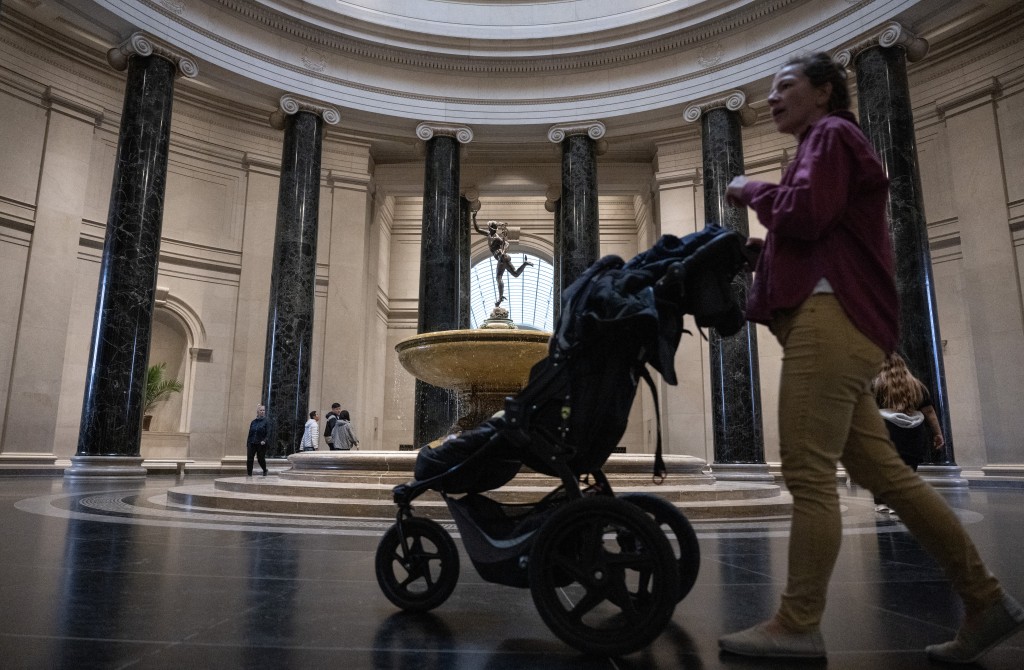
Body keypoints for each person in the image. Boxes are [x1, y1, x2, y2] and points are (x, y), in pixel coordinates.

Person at [717, 52, 1023, 663]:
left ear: (825, 91)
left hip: (831, 322)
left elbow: (804, 214)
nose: (771, 98)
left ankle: (797, 623)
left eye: (785, 86)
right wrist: (763, 255)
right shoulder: (821, 144)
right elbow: (819, 231)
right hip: (839, 320)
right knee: (888, 476)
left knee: (806, 472)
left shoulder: (831, 134)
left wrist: (753, 189)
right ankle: (986, 601)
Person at [872, 351, 945, 515]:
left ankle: (882, 501)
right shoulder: (918, 386)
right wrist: (938, 434)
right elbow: (930, 412)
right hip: (913, 434)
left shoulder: (875, 385)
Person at [473, 215, 532, 307]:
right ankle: (525, 264)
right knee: (515, 274)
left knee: (498, 277)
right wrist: (473, 217)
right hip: (504, 258)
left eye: (489, 227)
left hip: (502, 257)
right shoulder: (489, 234)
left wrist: (504, 250)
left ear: (492, 228)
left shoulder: (497, 238)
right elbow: (477, 229)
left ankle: (500, 298)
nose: (488, 228)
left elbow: (507, 243)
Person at [245, 404, 270, 476]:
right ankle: (249, 474)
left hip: (261, 443)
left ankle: (265, 470)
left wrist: (264, 440)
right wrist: (248, 443)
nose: (262, 412)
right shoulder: (253, 422)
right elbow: (250, 433)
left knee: (260, 459)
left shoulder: (266, 421)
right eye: (261, 410)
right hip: (251, 442)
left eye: (263, 410)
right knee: (249, 459)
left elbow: (268, 433)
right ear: (258, 412)